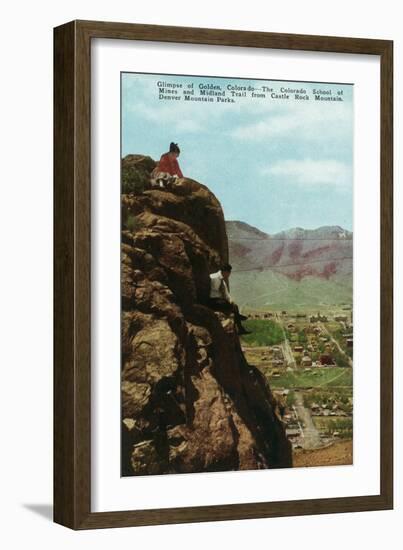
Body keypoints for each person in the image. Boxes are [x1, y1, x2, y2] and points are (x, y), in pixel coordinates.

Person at [208, 264, 251, 335]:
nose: (229, 275)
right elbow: (215, 292)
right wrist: (227, 301)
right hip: (214, 301)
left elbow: (226, 293)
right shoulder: (214, 277)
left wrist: (231, 300)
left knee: (235, 306)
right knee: (231, 307)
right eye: (229, 273)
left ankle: (240, 328)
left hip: (220, 300)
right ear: (225, 272)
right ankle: (239, 320)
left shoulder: (222, 281)